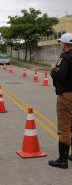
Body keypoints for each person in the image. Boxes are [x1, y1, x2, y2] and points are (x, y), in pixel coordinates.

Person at [48, 33, 72, 169]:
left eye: (61, 43)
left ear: (64, 44)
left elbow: (60, 75)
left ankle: (62, 160)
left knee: (64, 127)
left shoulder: (65, 57)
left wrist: (53, 69)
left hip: (67, 95)